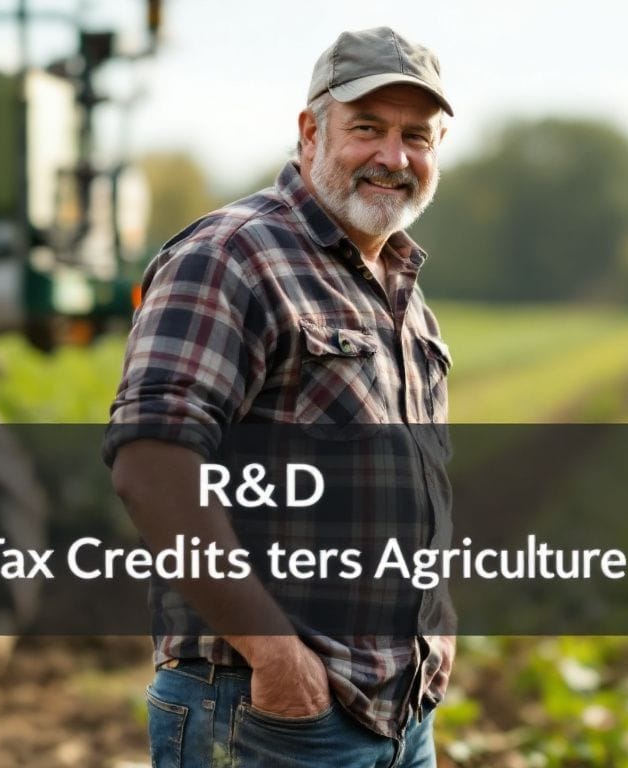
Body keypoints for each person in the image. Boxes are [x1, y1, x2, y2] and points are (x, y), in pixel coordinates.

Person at [105, 27, 455, 768]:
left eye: (416, 138)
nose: (394, 158)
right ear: (310, 131)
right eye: (367, 129)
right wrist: (275, 659)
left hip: (398, 715)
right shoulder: (230, 255)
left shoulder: (400, 293)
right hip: (272, 716)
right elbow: (153, 468)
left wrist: (437, 624)